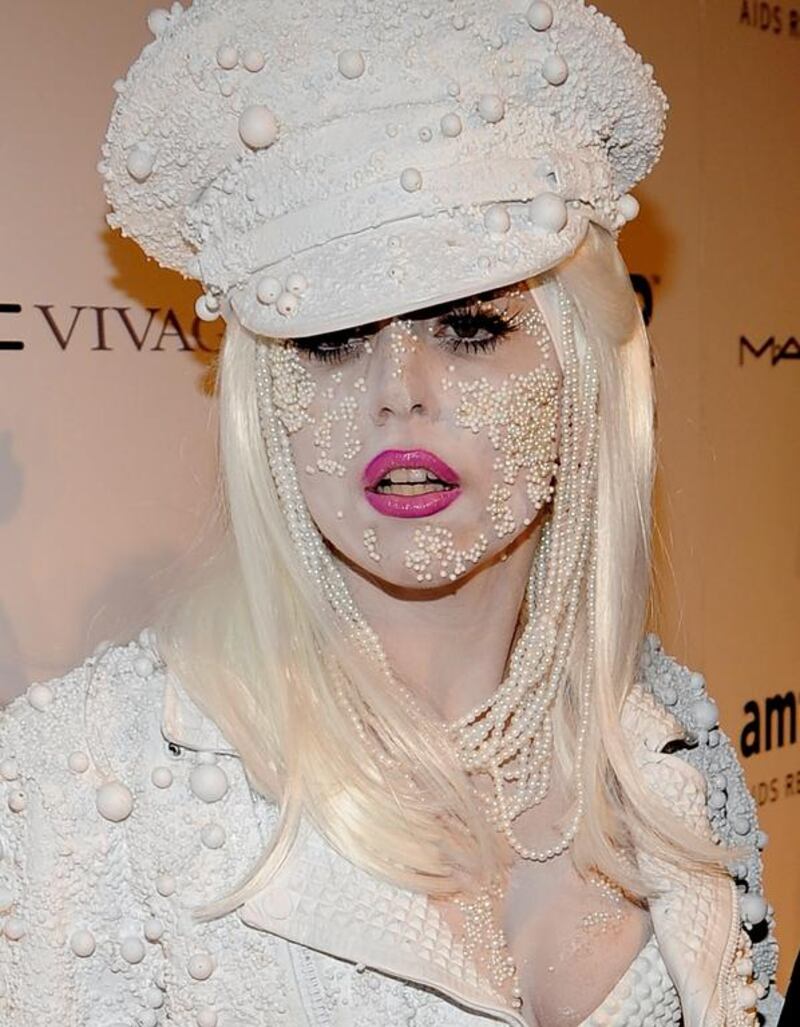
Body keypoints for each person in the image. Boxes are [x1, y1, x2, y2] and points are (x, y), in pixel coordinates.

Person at [0, 1, 784, 1024]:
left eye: (467, 326)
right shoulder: (86, 776)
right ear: (262, 397)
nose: (397, 390)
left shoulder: (669, 737)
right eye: (329, 339)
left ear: (579, 369)